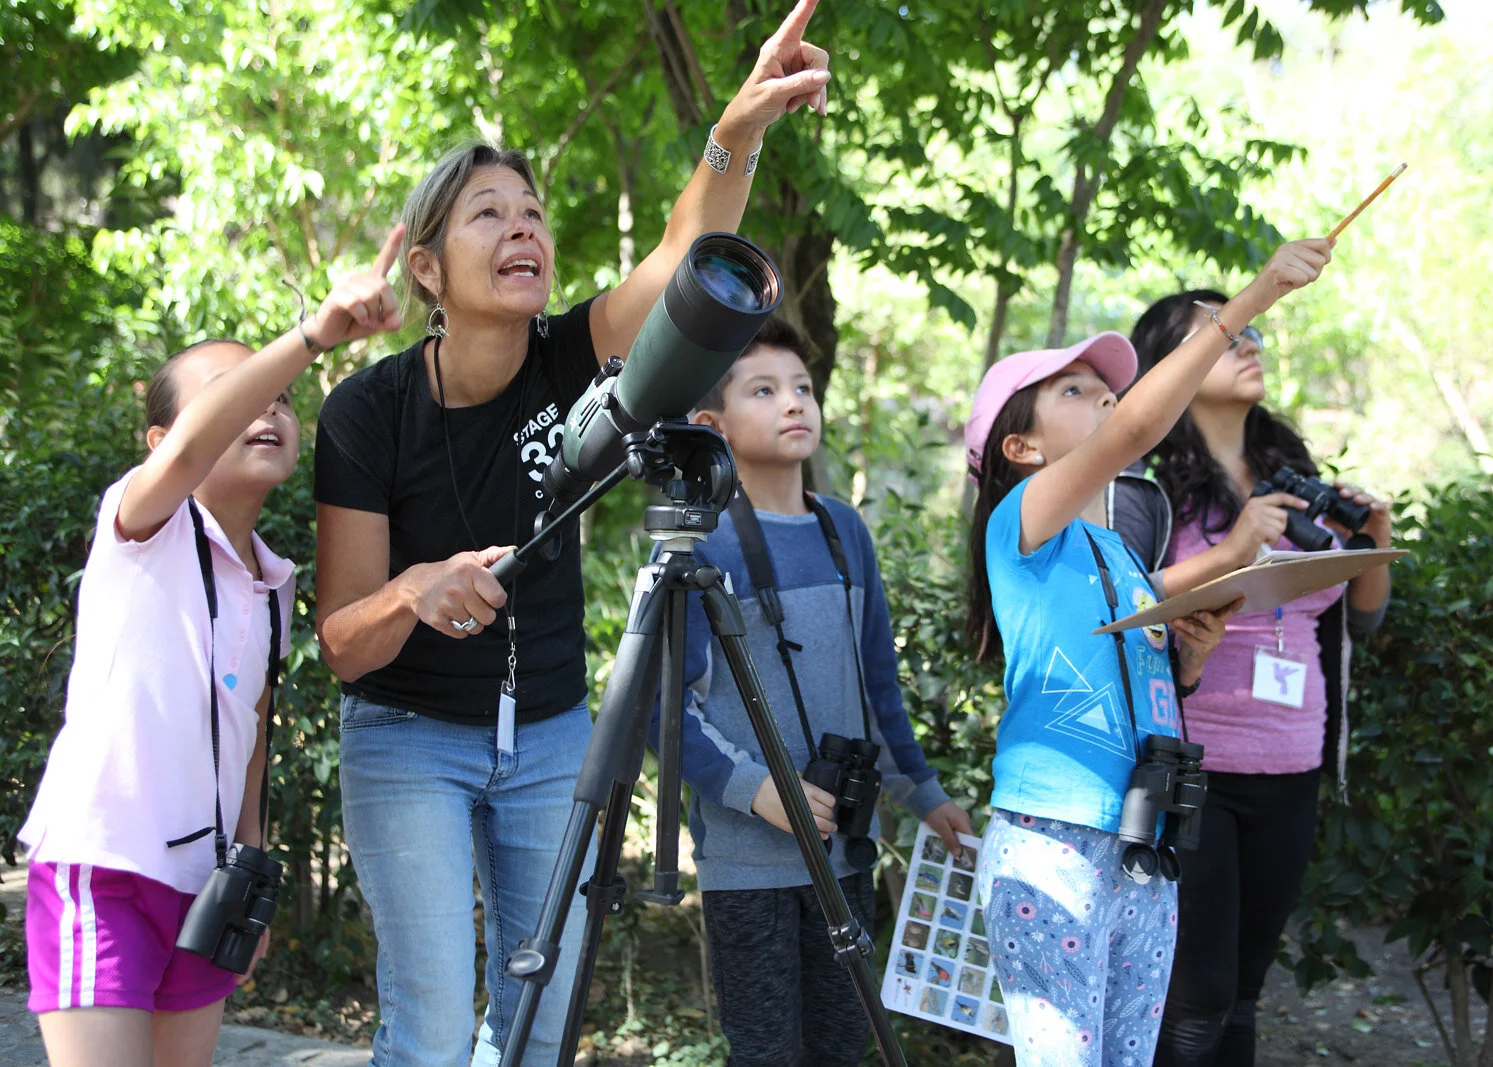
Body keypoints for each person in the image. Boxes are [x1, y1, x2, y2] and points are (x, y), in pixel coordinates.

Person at [309, 4, 832, 1063]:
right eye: (488, 214)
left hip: (551, 737)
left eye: (534, 213)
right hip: (407, 736)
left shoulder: (574, 356)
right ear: (423, 267)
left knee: (543, 1021)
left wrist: (738, 131)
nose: (525, 230)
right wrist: (414, 587)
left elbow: (691, 250)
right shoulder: (367, 413)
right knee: (432, 1021)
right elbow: (341, 640)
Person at [16, 231, 406, 1067]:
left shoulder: (271, 578)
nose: (268, 409)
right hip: (104, 869)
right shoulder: (141, 523)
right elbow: (197, 447)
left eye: (281, 403)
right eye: (234, 396)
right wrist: (311, 339)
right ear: (158, 439)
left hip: (205, 887)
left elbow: (252, 737)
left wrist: (251, 870)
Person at [962, 239, 1334, 1067]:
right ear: (1021, 447)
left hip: (1145, 837)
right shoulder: (1021, 522)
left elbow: (1154, 661)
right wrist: (1255, 295)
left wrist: (1192, 653)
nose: (1107, 400)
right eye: (1075, 391)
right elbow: (1137, 425)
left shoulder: (1121, 558)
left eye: (1108, 390)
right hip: (1054, 837)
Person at [658, 318, 972, 1066]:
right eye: (762, 390)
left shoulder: (843, 530)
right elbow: (665, 712)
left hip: (846, 855)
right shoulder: (700, 542)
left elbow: (877, 686)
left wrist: (923, 793)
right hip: (749, 862)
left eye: (801, 387)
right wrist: (758, 789)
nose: (792, 402)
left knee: (840, 1045)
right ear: (713, 425)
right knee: (767, 1052)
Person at [1125, 290, 1392, 1067]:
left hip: (1293, 764)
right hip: (1191, 764)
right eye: (1225, 332)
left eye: (1251, 331)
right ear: (1174, 363)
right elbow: (1125, 601)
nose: (1249, 343)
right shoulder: (1147, 486)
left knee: (1242, 992)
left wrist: (1376, 540)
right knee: (1195, 996)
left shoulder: (1294, 473)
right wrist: (1237, 544)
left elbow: (1364, 618)